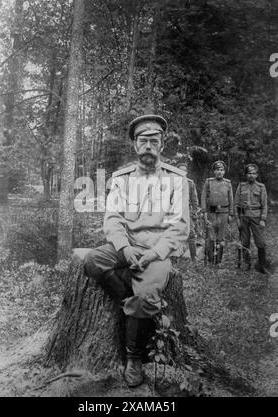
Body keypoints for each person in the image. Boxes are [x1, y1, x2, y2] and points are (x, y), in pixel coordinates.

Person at [84, 114, 189, 388]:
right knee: (93, 261)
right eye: (143, 141)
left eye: (154, 141)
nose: (148, 146)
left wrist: (154, 253)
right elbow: (113, 218)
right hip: (127, 246)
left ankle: (134, 358)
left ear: (162, 144)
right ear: (134, 145)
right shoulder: (122, 179)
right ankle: (126, 301)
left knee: (145, 297)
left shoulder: (176, 180)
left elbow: (180, 225)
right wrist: (124, 247)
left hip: (157, 252)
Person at [234, 163, 268, 274]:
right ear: (246, 175)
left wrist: (263, 219)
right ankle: (246, 264)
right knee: (245, 242)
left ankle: (262, 265)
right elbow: (236, 204)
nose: (251, 175)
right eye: (249, 173)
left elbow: (264, 205)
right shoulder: (241, 186)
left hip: (256, 217)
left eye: (253, 173)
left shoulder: (261, 187)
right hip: (244, 217)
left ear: (257, 175)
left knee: (261, 242)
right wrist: (237, 220)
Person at [201, 161, 233, 265]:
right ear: (214, 171)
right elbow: (203, 197)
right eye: (217, 170)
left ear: (224, 172)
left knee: (221, 238)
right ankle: (211, 260)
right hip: (211, 213)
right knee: (211, 237)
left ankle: (218, 261)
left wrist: (231, 214)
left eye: (221, 170)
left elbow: (231, 199)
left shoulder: (228, 183)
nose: (219, 172)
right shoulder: (209, 182)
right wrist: (204, 212)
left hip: (224, 213)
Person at [177, 163, 199, 261]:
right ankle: (176, 256)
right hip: (175, 211)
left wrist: (194, 212)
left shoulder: (190, 183)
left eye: (184, 170)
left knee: (191, 234)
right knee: (176, 233)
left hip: (187, 211)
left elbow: (194, 199)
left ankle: (193, 257)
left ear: (186, 172)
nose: (182, 172)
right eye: (180, 170)